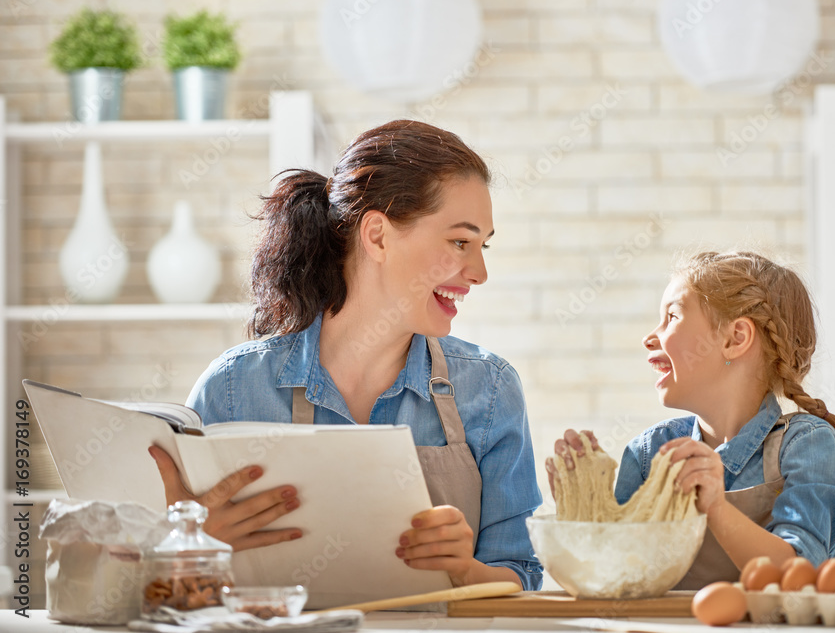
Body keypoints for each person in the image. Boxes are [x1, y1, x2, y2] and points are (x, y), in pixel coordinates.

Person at [148, 119, 542, 590]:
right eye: (460, 241)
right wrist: (191, 545)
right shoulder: (233, 388)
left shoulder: (490, 390)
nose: (478, 272)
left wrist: (465, 570)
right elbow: (167, 591)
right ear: (377, 235)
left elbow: (521, 577)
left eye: (482, 246)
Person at [548, 251, 835, 589]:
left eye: (672, 317)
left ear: (734, 339)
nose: (649, 337)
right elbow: (618, 578)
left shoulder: (806, 446)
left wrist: (715, 507)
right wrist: (580, 509)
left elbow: (799, 576)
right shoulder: (648, 453)